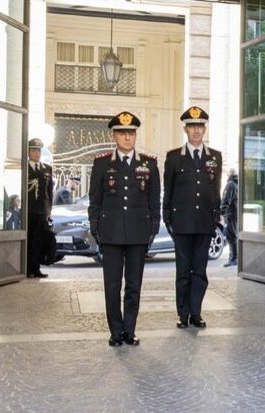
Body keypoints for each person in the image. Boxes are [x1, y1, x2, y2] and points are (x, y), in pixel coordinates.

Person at [88, 111, 160, 347]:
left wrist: (153, 228)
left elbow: (153, 201)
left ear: (135, 135)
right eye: (123, 133)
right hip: (111, 233)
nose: (128, 138)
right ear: (114, 135)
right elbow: (95, 201)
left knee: (133, 285)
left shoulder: (149, 164)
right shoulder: (101, 164)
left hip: (138, 233)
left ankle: (130, 330)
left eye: (131, 133)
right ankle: (115, 331)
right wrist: (96, 228)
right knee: (112, 285)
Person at [163, 106, 222, 329]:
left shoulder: (214, 157)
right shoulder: (174, 157)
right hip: (182, 222)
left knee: (200, 271)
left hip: (205, 222)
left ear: (204, 129)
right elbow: (168, 190)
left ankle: (196, 312)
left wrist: (216, 218)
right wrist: (167, 217)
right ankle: (183, 314)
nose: (196, 131)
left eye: (200, 126)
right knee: (183, 271)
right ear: (185, 129)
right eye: (192, 127)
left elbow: (215, 190)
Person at [27, 138, 53, 278]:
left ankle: (36, 268)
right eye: (33, 150)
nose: (36, 153)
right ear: (28, 152)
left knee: (38, 240)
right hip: (27, 211)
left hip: (41, 211)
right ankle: (26, 268)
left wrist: (49, 210)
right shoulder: (24, 168)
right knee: (28, 240)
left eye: (38, 151)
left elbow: (49, 192)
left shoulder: (47, 169)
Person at [220, 168, 238, 267]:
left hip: (230, 214)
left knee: (231, 236)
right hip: (236, 213)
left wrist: (222, 212)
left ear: (229, 174)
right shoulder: (237, 184)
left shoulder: (230, 184)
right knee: (234, 236)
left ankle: (233, 259)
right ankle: (235, 258)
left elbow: (226, 199)